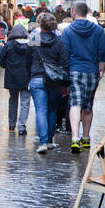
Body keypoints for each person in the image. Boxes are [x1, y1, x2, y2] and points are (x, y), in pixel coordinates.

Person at [63, 1, 105, 152]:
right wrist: (101, 69)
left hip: (74, 70)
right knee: (88, 105)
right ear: (88, 12)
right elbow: (103, 51)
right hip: (92, 70)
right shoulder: (98, 30)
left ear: (73, 12)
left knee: (75, 103)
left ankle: (75, 138)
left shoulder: (68, 31)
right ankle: (86, 137)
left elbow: (64, 54)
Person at [29, 11, 69, 154]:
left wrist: (29, 77)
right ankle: (50, 141)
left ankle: (43, 142)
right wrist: (65, 85)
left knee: (40, 110)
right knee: (52, 110)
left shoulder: (35, 38)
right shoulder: (59, 40)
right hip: (54, 80)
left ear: (40, 24)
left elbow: (28, 59)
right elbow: (65, 63)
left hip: (37, 78)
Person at [0, 23, 32, 135]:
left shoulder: (8, 45)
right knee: (25, 102)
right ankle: (22, 126)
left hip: (12, 77)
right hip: (27, 77)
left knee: (13, 100)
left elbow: (1, 62)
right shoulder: (31, 45)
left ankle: (11, 125)